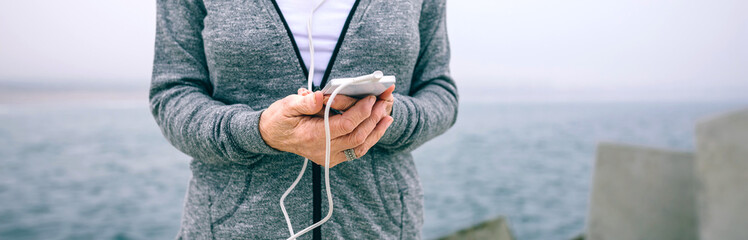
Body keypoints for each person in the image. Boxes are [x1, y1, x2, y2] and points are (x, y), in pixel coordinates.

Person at [150, 0, 457, 239]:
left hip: (380, 229)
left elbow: (439, 90)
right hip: (229, 229)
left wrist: (383, 115)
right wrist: (258, 132)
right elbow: (173, 92)